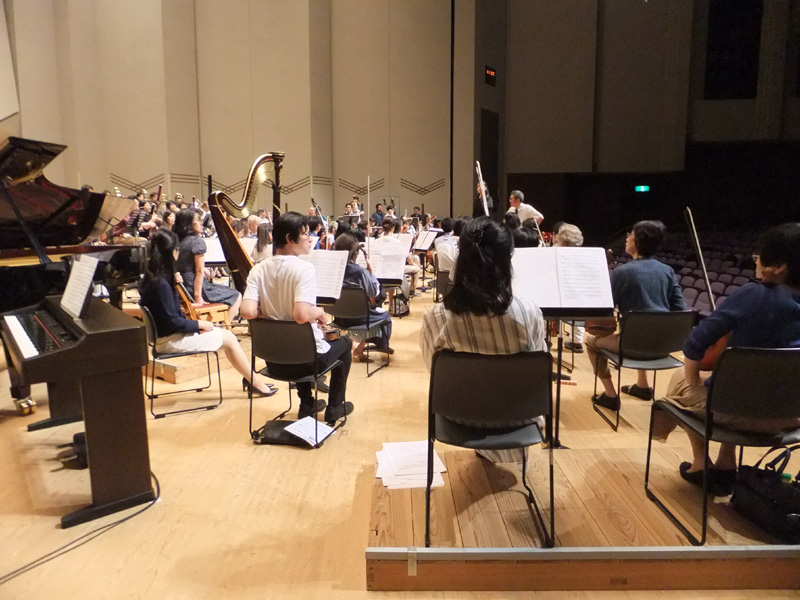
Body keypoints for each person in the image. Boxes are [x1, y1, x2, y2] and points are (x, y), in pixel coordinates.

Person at [652, 223, 800, 495]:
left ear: (778, 266)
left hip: (739, 414)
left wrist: (694, 383)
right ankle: (726, 462)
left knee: (682, 379)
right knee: (738, 384)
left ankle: (700, 464)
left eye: (759, 256)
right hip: (791, 418)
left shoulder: (754, 294)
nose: (756, 261)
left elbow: (694, 345)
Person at [420, 217, 546, 461]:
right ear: (508, 260)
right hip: (519, 419)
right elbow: (537, 372)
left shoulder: (436, 317)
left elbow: (435, 374)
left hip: (458, 418)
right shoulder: (529, 312)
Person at [241, 212, 354, 422]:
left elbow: (247, 311)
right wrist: (319, 312)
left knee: (298, 342)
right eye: (305, 234)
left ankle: (307, 403)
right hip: (307, 362)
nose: (310, 238)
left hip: (273, 361)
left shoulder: (258, 269)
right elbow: (301, 315)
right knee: (345, 343)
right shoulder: (304, 269)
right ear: (289, 239)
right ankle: (335, 406)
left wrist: (268, 311)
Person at [139, 230, 276, 397]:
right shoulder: (161, 284)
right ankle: (255, 383)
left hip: (166, 336)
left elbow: (169, 316)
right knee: (229, 338)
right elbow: (173, 322)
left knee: (227, 336)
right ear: (172, 252)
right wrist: (200, 324)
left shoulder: (152, 278)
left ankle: (251, 379)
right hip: (170, 340)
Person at [585, 220, 686, 411]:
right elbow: (681, 309)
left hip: (632, 345)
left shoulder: (622, 272)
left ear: (638, 240)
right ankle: (642, 386)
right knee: (641, 328)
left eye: (630, 234)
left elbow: (604, 310)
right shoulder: (667, 271)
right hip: (664, 346)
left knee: (591, 341)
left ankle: (610, 395)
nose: (626, 238)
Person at [332, 233, 393, 361]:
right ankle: (379, 345)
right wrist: (370, 271)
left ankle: (357, 346)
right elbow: (374, 293)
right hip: (359, 317)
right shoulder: (360, 272)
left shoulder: (332, 269)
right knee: (385, 317)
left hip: (338, 317)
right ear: (355, 253)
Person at [174, 209, 242, 323]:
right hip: (194, 288)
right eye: (198, 220)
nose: (202, 223)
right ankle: (224, 328)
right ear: (188, 223)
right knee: (237, 295)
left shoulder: (175, 241)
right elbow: (199, 271)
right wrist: (198, 297)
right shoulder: (196, 241)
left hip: (180, 289)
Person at [553, 223, 585, 351]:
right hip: (578, 297)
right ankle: (576, 342)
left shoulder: (555, 251)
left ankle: (543, 338)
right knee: (579, 309)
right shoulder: (585, 256)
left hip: (557, 295)